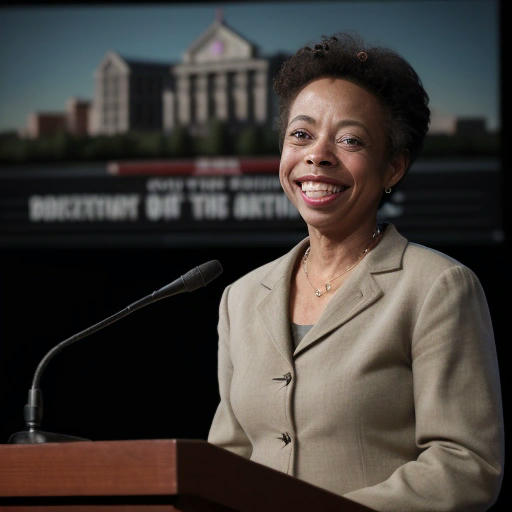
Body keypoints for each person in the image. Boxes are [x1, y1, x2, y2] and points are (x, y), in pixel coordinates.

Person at [208, 33, 504, 511]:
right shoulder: (240, 298)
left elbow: (464, 466)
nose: (317, 155)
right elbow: (228, 459)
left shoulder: (437, 288)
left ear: (393, 168)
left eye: (349, 140)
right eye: (301, 135)